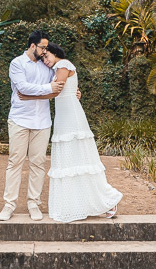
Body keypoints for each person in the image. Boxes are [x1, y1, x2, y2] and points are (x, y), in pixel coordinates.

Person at [21, 43, 122, 222]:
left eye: (46, 56)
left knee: (79, 160)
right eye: (43, 58)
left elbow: (55, 90)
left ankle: (107, 199)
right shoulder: (61, 67)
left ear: (54, 52)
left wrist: (28, 96)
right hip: (65, 115)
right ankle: (79, 204)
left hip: (71, 118)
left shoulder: (62, 65)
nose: (45, 60)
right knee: (73, 161)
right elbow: (63, 90)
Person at [0, 31, 64, 221]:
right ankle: (9, 205)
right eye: (43, 47)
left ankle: (33, 203)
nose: (45, 52)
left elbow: (61, 82)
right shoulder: (17, 63)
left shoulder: (48, 67)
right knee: (15, 162)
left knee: (38, 163)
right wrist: (47, 89)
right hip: (20, 119)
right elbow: (23, 88)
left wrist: (74, 91)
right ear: (33, 46)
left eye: (46, 48)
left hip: (42, 121)